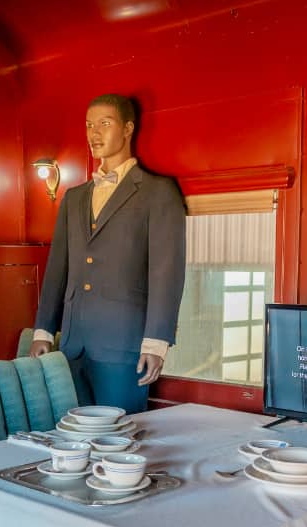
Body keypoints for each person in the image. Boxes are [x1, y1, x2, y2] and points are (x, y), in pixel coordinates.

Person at [30, 93, 186, 414]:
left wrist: (156, 343)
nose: (94, 134)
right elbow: (57, 267)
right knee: (74, 439)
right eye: (89, 126)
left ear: (128, 128)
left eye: (104, 123)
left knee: (121, 439)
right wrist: (43, 329)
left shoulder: (159, 192)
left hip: (125, 344)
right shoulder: (73, 198)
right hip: (72, 345)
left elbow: (166, 273)